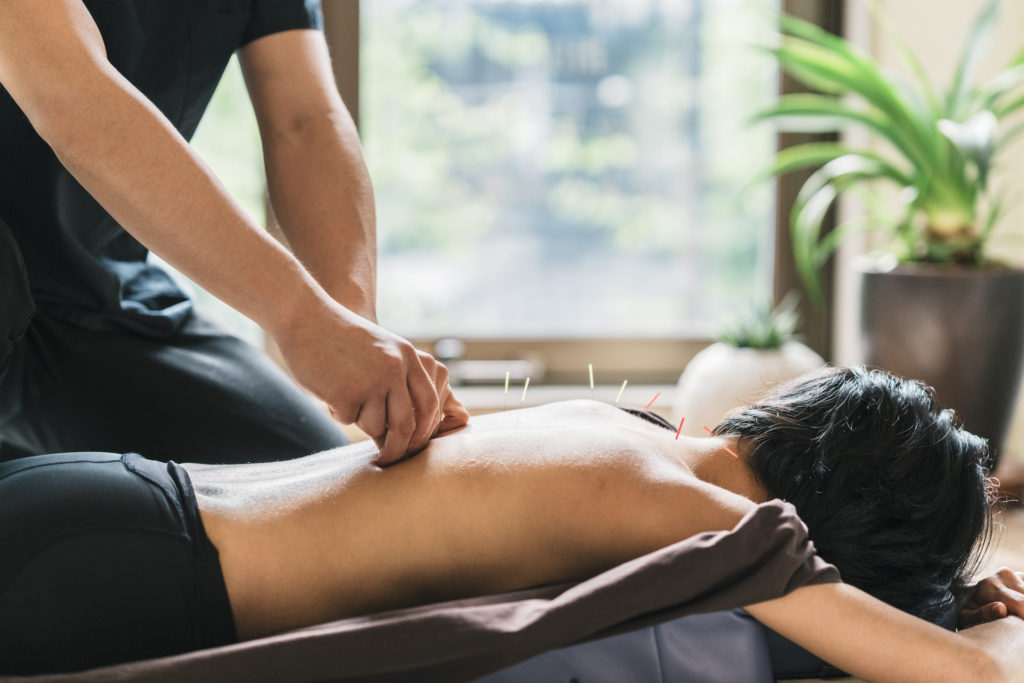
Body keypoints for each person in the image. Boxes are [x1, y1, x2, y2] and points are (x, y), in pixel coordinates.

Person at [3, 365, 1023, 680]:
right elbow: (972, 678)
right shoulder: (692, 516)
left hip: (110, 502)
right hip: (124, 576)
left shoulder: (629, 435)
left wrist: (930, 593)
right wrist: (936, 611)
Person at [0, 0, 467, 466]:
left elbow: (304, 123)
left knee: (317, 485)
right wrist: (303, 319)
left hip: (95, 294)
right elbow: (73, 98)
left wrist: (350, 325)